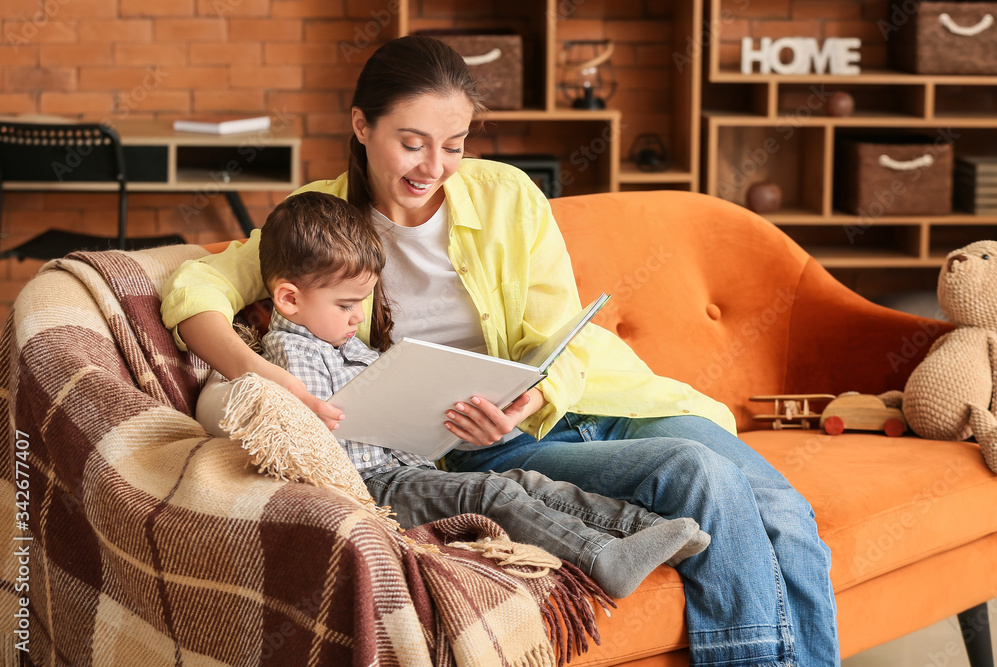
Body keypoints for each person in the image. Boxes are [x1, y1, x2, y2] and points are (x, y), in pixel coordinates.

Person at [161, 35, 839, 666]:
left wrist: (532, 396)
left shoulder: (508, 195)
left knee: (786, 511)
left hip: (599, 401)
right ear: (362, 126)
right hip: (489, 445)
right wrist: (263, 374)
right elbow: (197, 285)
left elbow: (562, 338)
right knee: (707, 478)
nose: (435, 167)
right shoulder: (315, 221)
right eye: (412, 143)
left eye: (453, 145)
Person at [247, 189, 709, 599]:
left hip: (407, 471)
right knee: (491, 492)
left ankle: (646, 530)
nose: (355, 318)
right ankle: (602, 558)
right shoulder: (291, 353)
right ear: (289, 299)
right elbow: (319, 442)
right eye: (346, 306)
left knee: (525, 483)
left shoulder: (341, 342)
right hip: (376, 488)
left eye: (360, 304)